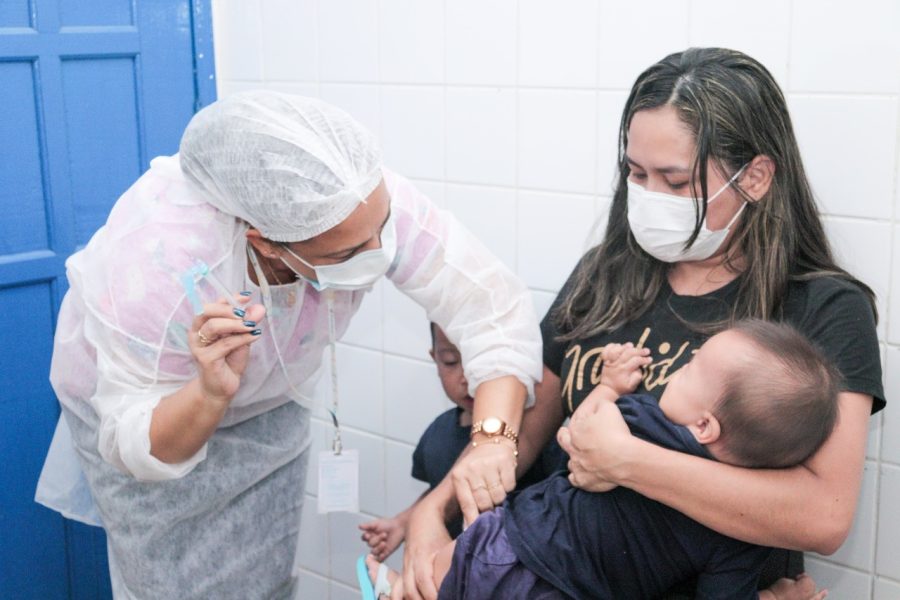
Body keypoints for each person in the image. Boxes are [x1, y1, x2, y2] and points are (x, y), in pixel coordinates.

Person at [401, 47, 885, 600]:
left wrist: (629, 462)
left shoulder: (822, 306)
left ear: (754, 177)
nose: (650, 197)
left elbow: (824, 515)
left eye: (675, 183)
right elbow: (527, 429)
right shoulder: (606, 274)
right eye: (636, 173)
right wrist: (431, 512)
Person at [34, 91, 542, 599]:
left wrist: (493, 439)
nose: (379, 253)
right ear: (265, 243)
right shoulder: (159, 266)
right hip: (162, 421)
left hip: (271, 404)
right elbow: (135, 440)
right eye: (348, 252)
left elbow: (489, 305)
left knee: (266, 576)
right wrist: (209, 393)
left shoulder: (359, 199)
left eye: (382, 230)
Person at [365, 320, 836, 599]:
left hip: (515, 541)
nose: (677, 370)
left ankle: (397, 591)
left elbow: (575, 437)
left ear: (705, 426)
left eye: (690, 371)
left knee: (450, 570)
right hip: (575, 591)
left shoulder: (643, 421)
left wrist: (609, 388)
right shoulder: (744, 532)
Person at [360, 324, 563, 560]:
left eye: (483, 361)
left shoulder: (534, 440)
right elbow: (438, 489)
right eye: (451, 361)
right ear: (435, 359)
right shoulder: (437, 432)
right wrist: (404, 522)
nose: (468, 376)